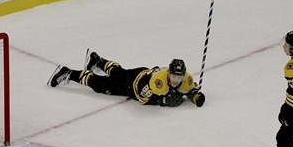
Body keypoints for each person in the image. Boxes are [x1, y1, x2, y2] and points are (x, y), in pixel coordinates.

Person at [47, 49, 206, 107]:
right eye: (173, 76)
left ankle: (98, 61)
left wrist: (196, 96)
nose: (176, 80)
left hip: (142, 71)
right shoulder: (158, 83)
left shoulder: (186, 79)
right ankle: (68, 73)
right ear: (169, 73)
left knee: (118, 72)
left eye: (179, 77)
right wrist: (162, 101)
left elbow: (192, 90)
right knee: (101, 85)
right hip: (134, 85)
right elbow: (142, 98)